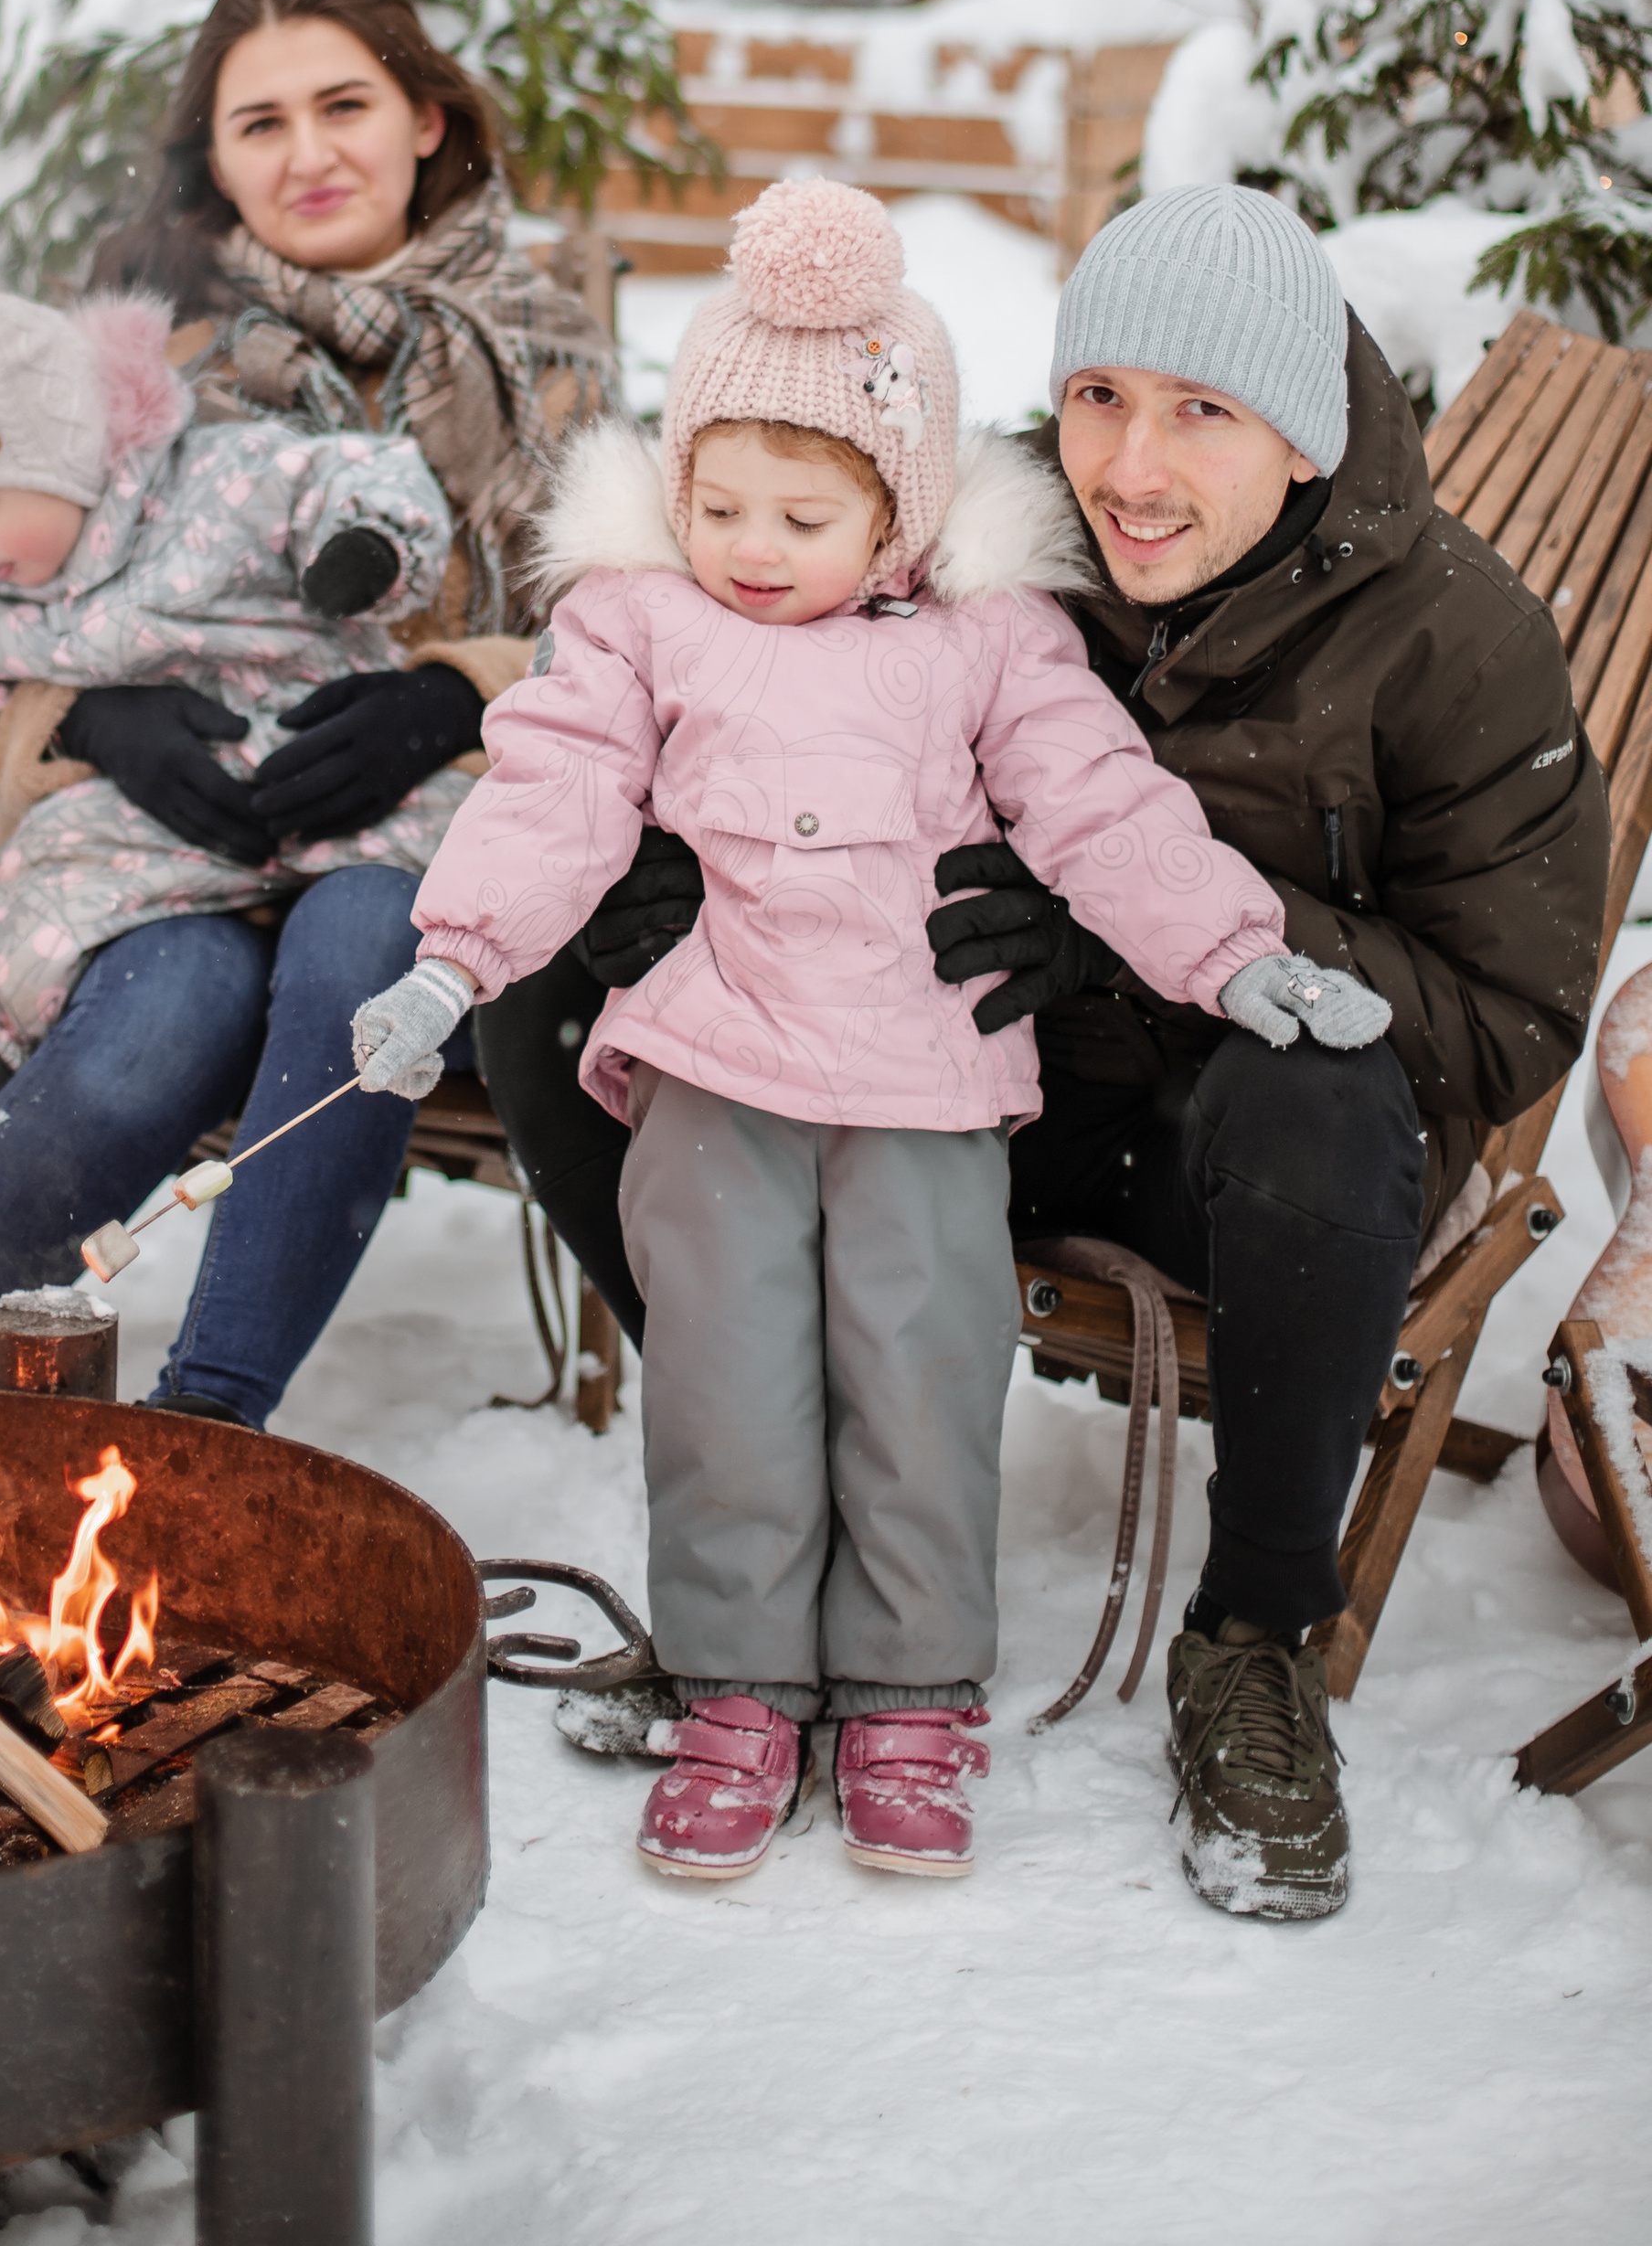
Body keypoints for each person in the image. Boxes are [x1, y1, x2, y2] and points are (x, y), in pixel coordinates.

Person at [548, 183, 1610, 1921]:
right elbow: (708, 600)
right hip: (955, 1079)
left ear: (1301, 429)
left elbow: (1506, 1019)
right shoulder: (987, 519)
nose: (1129, 465)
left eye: (1202, 411)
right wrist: (677, 842)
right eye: (1101, 395)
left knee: (1316, 1092)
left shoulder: (1449, 634)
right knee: (567, 990)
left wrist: (1125, 936)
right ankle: (755, 1563)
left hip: (1233, 1159)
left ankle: (1257, 1639)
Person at [345, 182, 1383, 1886]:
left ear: (898, 520)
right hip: (714, 1067)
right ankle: (741, 1681)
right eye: (723, 502)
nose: (753, 549)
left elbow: (1104, 811)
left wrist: (1237, 959)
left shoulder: (992, 647)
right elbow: (549, 792)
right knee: (725, 1374)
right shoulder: (638, 623)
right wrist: (449, 967)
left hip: (927, 1080)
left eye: (804, 516)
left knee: (920, 1370)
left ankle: (910, 1688)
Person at [0, 0, 617, 1422]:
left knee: (356, 959)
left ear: (429, 119)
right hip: (162, 849)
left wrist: (459, 690)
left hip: (429, 842)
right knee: (159, 1014)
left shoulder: (548, 351)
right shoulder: (136, 354)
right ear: (213, 154)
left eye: (345, 106)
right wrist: (87, 722)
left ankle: (209, 1435)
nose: (308, 154)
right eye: (260, 123)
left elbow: (629, 629)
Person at [0, 233, 464, 1145]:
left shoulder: (222, 477)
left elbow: (362, 471)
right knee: (41, 863)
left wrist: (368, 545)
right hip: (164, 823)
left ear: (63, 455)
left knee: (474, 832)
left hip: (332, 764)